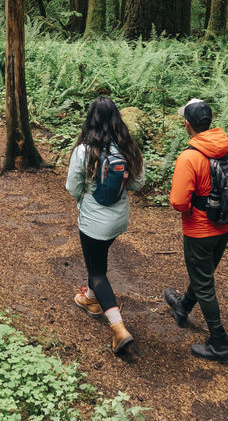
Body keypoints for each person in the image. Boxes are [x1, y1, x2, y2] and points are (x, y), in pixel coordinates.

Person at [164, 97, 228, 364]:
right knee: (203, 274)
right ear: (210, 121)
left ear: (187, 125)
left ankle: (219, 342)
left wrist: (194, 205)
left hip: (199, 231)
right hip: (224, 226)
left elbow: (178, 202)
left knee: (204, 283)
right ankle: (182, 307)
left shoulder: (189, 157)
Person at [65, 96, 145, 355]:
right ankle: (90, 299)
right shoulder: (128, 147)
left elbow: (71, 187)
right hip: (118, 220)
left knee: (97, 271)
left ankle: (118, 327)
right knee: (97, 258)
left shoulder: (84, 150)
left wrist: (86, 192)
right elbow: (137, 184)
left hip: (93, 222)